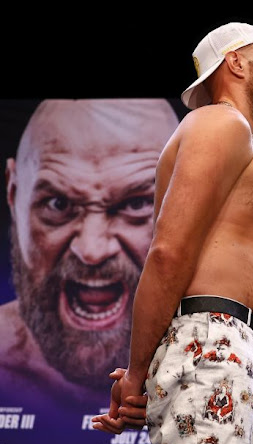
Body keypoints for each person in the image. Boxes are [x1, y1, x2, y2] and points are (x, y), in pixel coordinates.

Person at [91, 21, 253, 444]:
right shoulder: (218, 122)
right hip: (213, 344)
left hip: (226, 348)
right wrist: (137, 375)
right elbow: (167, 252)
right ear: (235, 63)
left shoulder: (234, 135)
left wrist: (148, 365)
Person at [0, 98, 180, 409]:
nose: (92, 251)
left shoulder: (219, 359)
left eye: (137, 203)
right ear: (14, 194)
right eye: (58, 204)